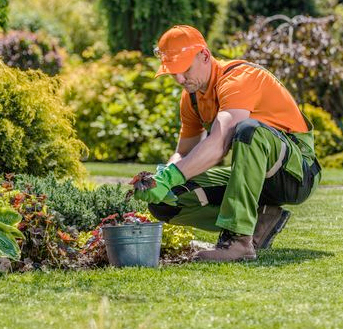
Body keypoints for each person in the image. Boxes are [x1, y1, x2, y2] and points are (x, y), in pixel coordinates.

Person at [133, 25, 321, 262]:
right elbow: (183, 154)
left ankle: (239, 240)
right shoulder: (191, 98)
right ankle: (262, 220)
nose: (180, 79)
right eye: (173, 73)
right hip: (254, 175)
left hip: (296, 173)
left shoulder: (238, 79)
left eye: (185, 69)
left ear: (204, 55)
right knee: (166, 203)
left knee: (248, 130)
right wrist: (159, 180)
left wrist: (171, 176)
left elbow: (219, 143)